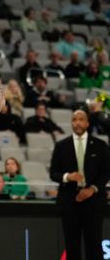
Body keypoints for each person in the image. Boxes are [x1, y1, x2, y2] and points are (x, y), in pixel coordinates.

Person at [50, 109, 110, 260]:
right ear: (71, 123)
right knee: (72, 245)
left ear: (87, 123)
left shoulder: (100, 145)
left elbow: (106, 173)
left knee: (94, 245)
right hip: (70, 202)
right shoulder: (61, 145)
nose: (77, 122)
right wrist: (67, 176)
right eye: (74, 119)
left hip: (94, 202)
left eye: (81, 119)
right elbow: (53, 173)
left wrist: (93, 189)